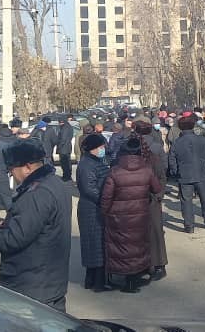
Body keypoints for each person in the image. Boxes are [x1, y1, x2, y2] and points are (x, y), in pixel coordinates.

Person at [0, 141, 72, 311]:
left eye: (12, 169)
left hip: (31, 284)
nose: (11, 175)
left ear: (27, 167)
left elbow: (14, 238)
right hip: (49, 280)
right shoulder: (55, 182)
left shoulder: (37, 193)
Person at [101, 135, 162, 293]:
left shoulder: (114, 172)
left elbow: (106, 197)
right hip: (140, 214)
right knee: (137, 246)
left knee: (123, 246)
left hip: (118, 216)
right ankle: (133, 280)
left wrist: (104, 212)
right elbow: (157, 188)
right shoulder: (147, 170)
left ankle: (124, 277)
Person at [134, 120, 169, 281]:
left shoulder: (148, 153)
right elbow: (163, 173)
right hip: (150, 197)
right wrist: (160, 194)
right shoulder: (155, 147)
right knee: (154, 232)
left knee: (146, 232)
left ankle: (152, 265)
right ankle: (155, 264)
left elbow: (160, 175)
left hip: (146, 198)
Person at [76, 134, 110, 292]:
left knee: (94, 245)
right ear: (93, 148)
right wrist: (104, 200)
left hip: (95, 207)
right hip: (92, 208)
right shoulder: (87, 164)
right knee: (96, 245)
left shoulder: (94, 161)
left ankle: (91, 280)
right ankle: (98, 283)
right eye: (101, 147)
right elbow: (89, 189)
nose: (103, 149)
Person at [170, 115, 205, 233]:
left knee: (186, 201)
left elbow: (172, 159)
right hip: (201, 173)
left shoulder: (177, 142)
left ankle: (189, 225)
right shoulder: (203, 140)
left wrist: (175, 172)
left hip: (184, 174)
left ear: (180, 127)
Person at [58, 115, 75, 181]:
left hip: (64, 148)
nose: (59, 124)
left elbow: (63, 139)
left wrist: (59, 146)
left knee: (65, 163)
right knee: (67, 162)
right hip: (67, 147)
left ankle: (66, 176)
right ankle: (68, 175)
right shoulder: (69, 126)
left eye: (60, 122)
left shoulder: (65, 128)